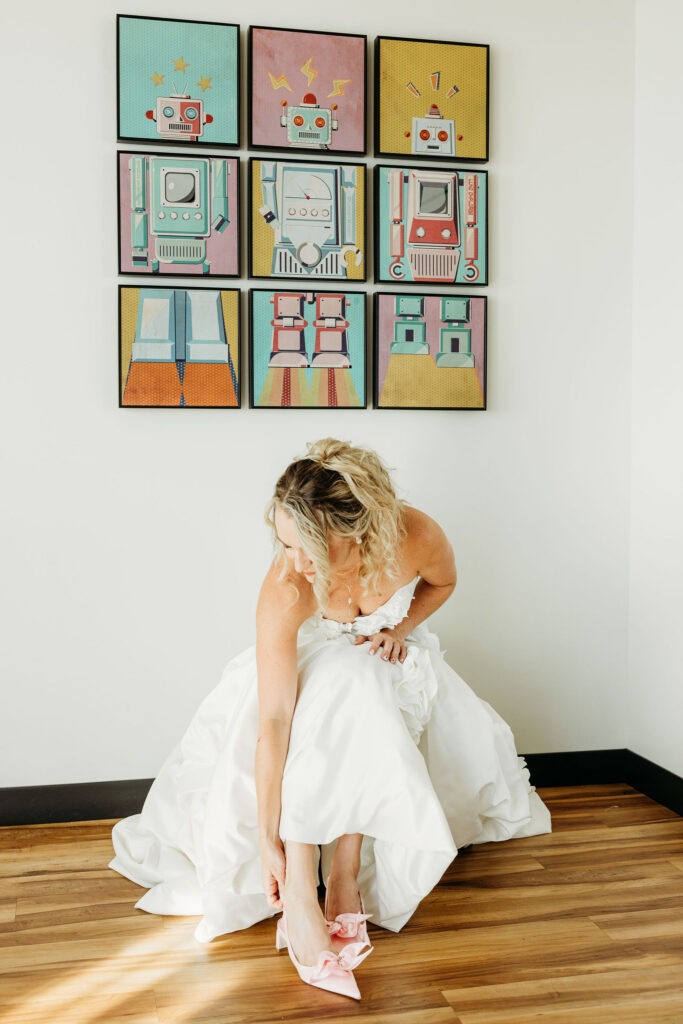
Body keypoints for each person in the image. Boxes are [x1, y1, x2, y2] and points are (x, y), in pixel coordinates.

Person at [109, 437, 551, 998]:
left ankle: (340, 873)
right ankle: (308, 878)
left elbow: (443, 581)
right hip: (303, 682)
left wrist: (399, 629)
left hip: (381, 669)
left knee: (363, 677)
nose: (294, 563)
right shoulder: (287, 585)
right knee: (346, 684)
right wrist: (267, 839)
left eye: (309, 547)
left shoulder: (416, 536)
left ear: (358, 531)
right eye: (284, 543)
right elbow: (274, 718)